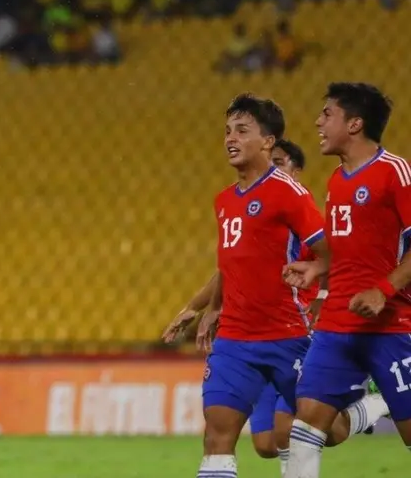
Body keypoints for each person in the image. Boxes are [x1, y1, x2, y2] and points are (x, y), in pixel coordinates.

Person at [163, 137, 387, 475]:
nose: (271, 171)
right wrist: (199, 307)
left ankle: (375, 404)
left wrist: (329, 305)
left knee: (306, 430)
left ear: (296, 171)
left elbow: (340, 261)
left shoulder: (305, 218)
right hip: (250, 336)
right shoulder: (255, 215)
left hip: (297, 332)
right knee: (267, 443)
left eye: (280, 163)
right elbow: (228, 268)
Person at [193, 95, 331, 478]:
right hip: (235, 340)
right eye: (227, 131)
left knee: (326, 430)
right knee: (218, 435)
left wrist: (320, 293)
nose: (230, 139)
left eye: (242, 130)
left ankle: (367, 404)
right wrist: (213, 307)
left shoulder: (288, 191)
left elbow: (330, 253)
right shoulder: (224, 201)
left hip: (288, 334)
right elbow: (229, 264)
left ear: (268, 141)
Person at [284, 83, 411, 478]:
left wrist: (384, 288)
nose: (318, 122)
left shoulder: (395, 172)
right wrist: (319, 269)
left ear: (354, 124)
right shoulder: (337, 181)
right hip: (339, 321)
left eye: (327, 114)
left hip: (391, 323)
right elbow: (348, 248)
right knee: (306, 422)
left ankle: (379, 403)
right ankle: (372, 406)